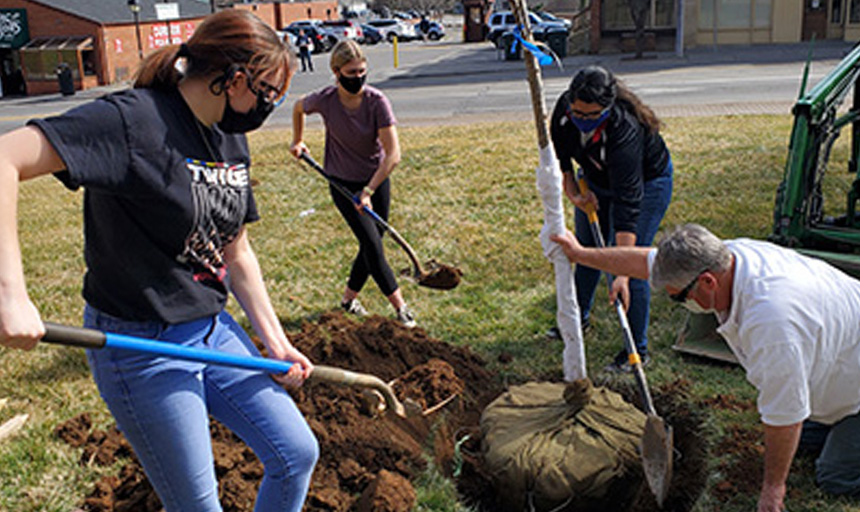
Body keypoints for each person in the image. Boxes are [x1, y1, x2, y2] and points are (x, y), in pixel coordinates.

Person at [0, 10, 318, 512]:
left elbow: (236, 250)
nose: (269, 107)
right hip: (141, 348)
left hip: (212, 331)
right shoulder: (133, 122)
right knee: (197, 505)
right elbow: (4, 158)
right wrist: (11, 295)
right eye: (267, 93)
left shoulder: (228, 134)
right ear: (233, 79)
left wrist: (275, 341)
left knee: (296, 452)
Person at [550, 223, 860, 512]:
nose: (680, 303)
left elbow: (786, 415)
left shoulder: (772, 325)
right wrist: (581, 255)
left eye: (678, 298)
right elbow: (647, 262)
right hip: (842, 363)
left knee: (833, 476)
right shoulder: (721, 256)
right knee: (795, 438)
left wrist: (772, 490)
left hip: (853, 386)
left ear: (707, 281)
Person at [549, 65, 673, 372]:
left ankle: (636, 351)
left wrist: (621, 273)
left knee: (634, 266)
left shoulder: (625, 130)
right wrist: (575, 193)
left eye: (592, 115)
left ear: (608, 106)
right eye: (579, 112)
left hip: (646, 184)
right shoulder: (564, 112)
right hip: (594, 179)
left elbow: (628, 208)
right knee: (588, 251)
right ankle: (578, 320)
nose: (583, 120)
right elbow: (563, 160)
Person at [290, 39, 416, 328]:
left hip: (376, 179)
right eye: (351, 73)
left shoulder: (377, 102)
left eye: (361, 71)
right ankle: (402, 309)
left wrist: (369, 191)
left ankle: (347, 301)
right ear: (336, 72)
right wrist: (297, 140)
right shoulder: (325, 99)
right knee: (372, 244)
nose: (357, 78)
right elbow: (298, 107)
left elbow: (393, 154)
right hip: (342, 183)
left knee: (371, 243)